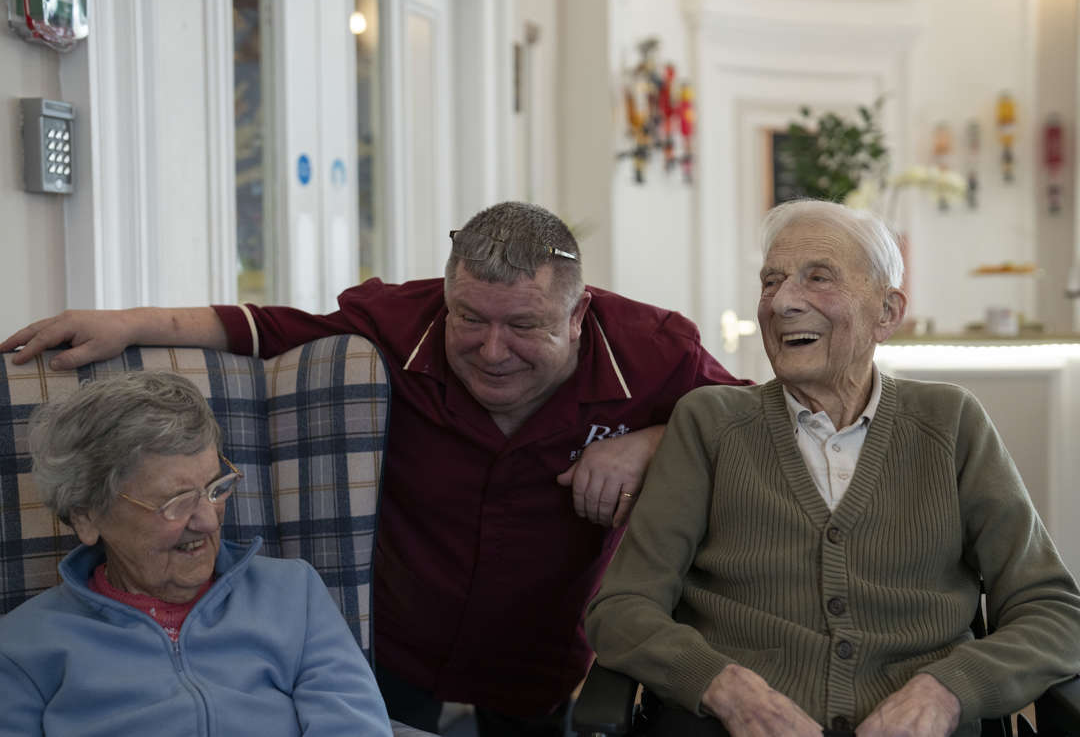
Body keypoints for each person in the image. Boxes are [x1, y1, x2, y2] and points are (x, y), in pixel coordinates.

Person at [1, 201, 750, 735]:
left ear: (579, 314)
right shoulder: (401, 320)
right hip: (398, 639)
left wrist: (658, 441)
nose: (492, 351)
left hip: (543, 649)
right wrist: (127, 323)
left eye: (524, 325)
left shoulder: (653, 348)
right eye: (469, 319)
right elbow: (268, 329)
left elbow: (752, 425)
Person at [584, 199, 1080, 737]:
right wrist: (725, 688)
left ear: (887, 312)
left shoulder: (950, 422)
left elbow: (1053, 611)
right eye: (770, 282)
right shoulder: (710, 422)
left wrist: (946, 692)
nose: (782, 302)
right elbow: (623, 608)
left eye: (818, 278)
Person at [0, 371, 393, 737]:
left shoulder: (293, 594)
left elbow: (355, 725)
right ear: (86, 515)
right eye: (176, 501)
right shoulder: (22, 646)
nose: (207, 520)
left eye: (215, 489)